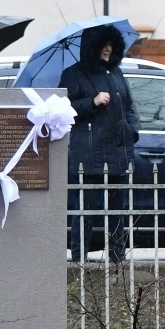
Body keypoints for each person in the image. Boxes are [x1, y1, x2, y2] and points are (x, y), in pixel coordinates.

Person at [60, 23, 139, 261]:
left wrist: (131, 130)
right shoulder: (73, 74)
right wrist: (91, 102)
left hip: (118, 149)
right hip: (89, 152)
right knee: (85, 211)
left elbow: (129, 106)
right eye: (103, 44)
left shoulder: (116, 72)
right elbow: (62, 110)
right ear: (92, 46)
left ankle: (117, 260)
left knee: (117, 211)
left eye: (111, 44)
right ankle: (79, 260)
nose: (108, 49)